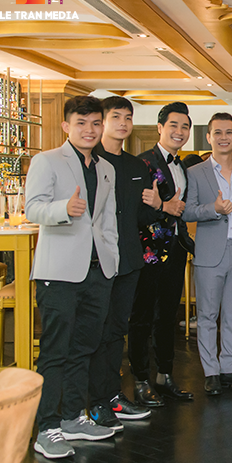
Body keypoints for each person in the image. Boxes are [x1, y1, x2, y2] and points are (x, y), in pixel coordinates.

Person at [26, 95, 118, 459]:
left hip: (97, 272)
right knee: (55, 351)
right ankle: (46, 427)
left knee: (84, 348)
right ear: (66, 126)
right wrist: (63, 208)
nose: (89, 130)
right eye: (81, 123)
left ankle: (72, 417)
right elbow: (32, 208)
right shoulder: (47, 160)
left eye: (95, 123)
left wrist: (111, 259)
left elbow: (106, 220)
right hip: (59, 273)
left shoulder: (106, 168)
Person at [87, 97, 159, 429]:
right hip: (96, 261)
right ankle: (95, 401)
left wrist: (157, 205)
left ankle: (113, 396)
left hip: (128, 259)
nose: (123, 123)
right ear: (102, 121)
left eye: (128, 118)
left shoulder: (136, 166)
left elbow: (141, 217)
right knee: (96, 332)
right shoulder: (89, 161)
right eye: (116, 117)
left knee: (117, 330)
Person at [183, 113, 232, 396]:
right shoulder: (195, 172)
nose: (223, 137)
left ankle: (230, 367)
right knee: (207, 315)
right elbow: (187, 211)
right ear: (208, 137)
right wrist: (213, 209)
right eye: (218, 132)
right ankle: (211, 372)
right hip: (208, 253)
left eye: (228, 132)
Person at [129, 101, 196, 406]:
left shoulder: (182, 166)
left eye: (185, 126)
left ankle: (164, 376)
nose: (179, 131)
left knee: (167, 316)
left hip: (176, 250)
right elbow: (135, 212)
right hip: (148, 252)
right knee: (142, 317)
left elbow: (181, 209)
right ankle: (140, 379)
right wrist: (162, 207)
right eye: (174, 125)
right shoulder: (142, 164)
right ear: (160, 128)